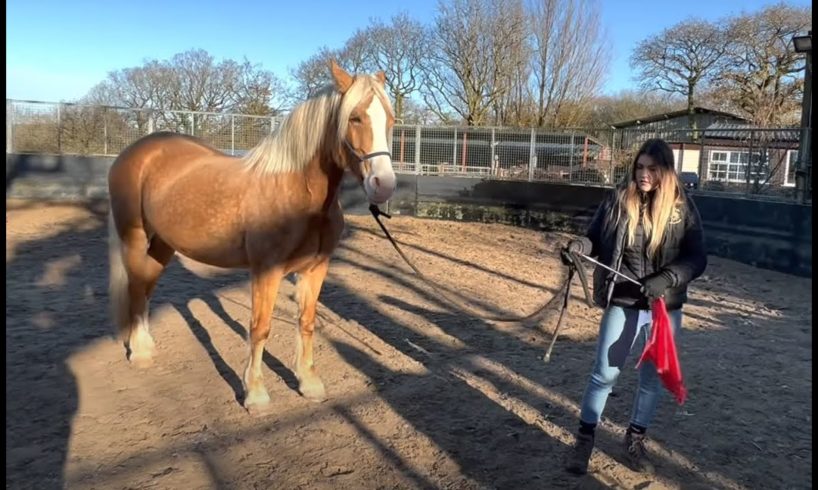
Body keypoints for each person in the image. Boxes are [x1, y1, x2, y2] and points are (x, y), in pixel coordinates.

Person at [560, 138, 707, 475]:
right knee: (604, 374)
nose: (643, 174)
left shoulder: (684, 208)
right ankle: (584, 439)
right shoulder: (616, 201)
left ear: (665, 172)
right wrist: (578, 247)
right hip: (623, 301)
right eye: (639, 167)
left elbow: (697, 258)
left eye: (651, 169)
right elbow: (594, 238)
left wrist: (668, 278)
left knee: (652, 379)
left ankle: (635, 438)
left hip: (664, 308)